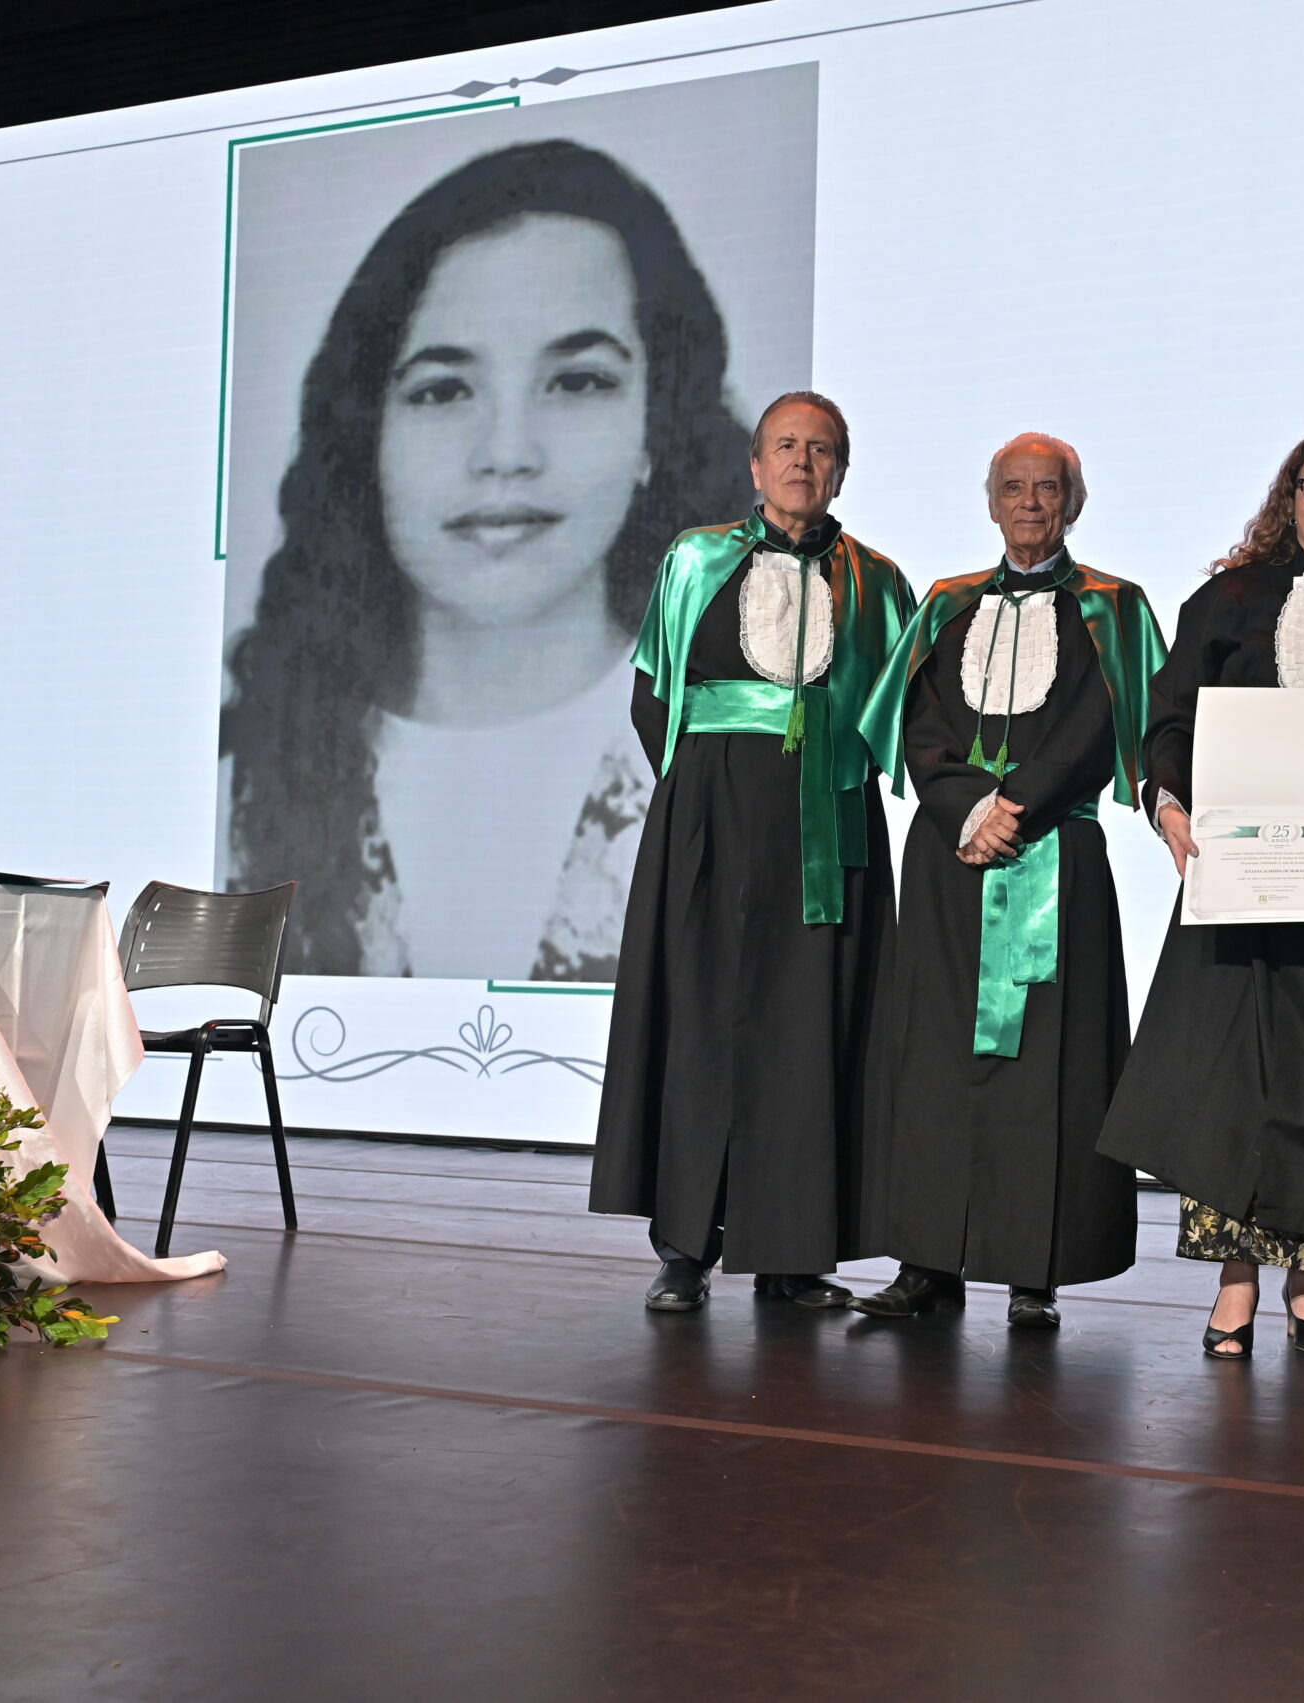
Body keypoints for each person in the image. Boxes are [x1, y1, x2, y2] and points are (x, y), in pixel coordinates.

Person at [222, 140, 753, 982]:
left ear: (656, 428)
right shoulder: (241, 783)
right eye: (443, 390)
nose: (506, 453)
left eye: (576, 382)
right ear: (369, 438)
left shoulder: (744, 748)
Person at [1096, 430, 1304, 1357]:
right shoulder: (1229, 598)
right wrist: (1168, 803)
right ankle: (1237, 1279)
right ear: (1289, 497)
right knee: (1234, 1078)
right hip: (1241, 869)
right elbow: (1170, 720)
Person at [588, 391, 915, 1311]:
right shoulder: (694, 558)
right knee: (701, 1022)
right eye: (786, 445)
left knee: (811, 1032)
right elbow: (655, 698)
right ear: (755, 463)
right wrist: (704, 799)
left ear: (841, 470)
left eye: (821, 449)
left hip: (828, 829)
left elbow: (897, 713)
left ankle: (792, 1255)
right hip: (711, 818)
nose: (802, 462)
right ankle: (684, 1248)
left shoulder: (878, 581)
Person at [849, 434, 1166, 1329]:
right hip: (951, 856)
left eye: (1048, 488)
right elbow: (915, 723)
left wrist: (1014, 807)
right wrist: (966, 809)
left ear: (1074, 502)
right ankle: (926, 1261)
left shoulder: (1114, 607)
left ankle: (1036, 1266)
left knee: (1047, 1066)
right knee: (935, 1058)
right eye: (1014, 488)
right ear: (991, 502)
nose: (1030, 503)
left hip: (1055, 850)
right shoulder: (945, 603)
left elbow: (1102, 725)